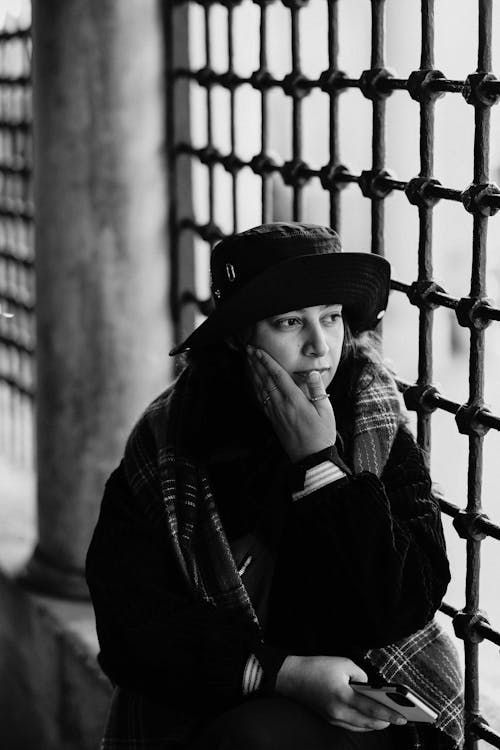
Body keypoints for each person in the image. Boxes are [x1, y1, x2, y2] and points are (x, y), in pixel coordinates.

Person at [86, 222, 463, 750]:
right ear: (241, 338)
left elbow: (402, 605)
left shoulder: (373, 421)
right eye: (290, 322)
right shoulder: (170, 443)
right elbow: (131, 627)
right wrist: (281, 673)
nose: (319, 347)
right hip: (222, 700)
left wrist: (320, 466)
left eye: (330, 318)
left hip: (363, 709)